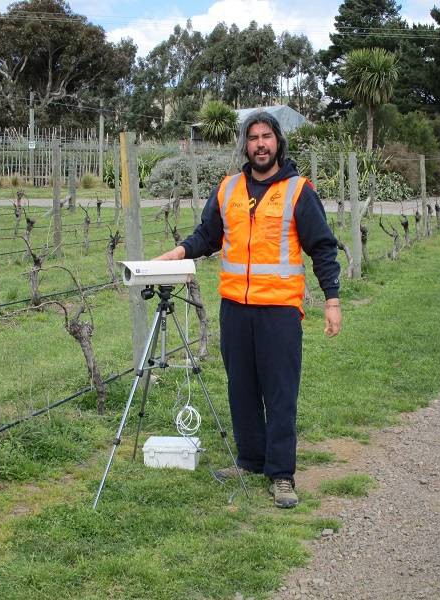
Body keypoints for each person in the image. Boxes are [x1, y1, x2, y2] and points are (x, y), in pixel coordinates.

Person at [156, 111, 341, 508]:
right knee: (241, 388)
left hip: (279, 310)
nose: (260, 144)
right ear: (245, 145)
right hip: (235, 309)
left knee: (279, 393)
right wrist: (180, 251)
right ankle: (250, 459)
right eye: (254, 137)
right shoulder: (228, 189)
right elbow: (209, 234)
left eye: (267, 137)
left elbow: (323, 248)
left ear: (278, 143)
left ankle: (281, 474)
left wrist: (332, 300)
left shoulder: (298, 191)